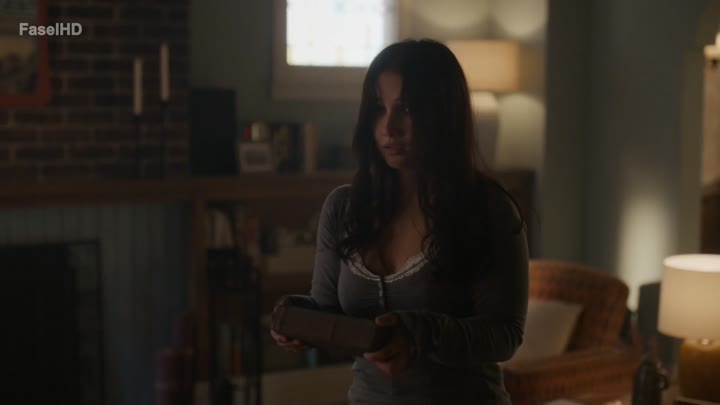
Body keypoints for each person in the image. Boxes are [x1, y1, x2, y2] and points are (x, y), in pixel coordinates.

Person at [271, 38, 529, 404]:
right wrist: (298, 318)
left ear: (443, 114)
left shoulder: (487, 208)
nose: (389, 127)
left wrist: (422, 333)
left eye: (406, 108)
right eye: (379, 108)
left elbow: (505, 334)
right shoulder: (343, 208)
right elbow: (329, 310)